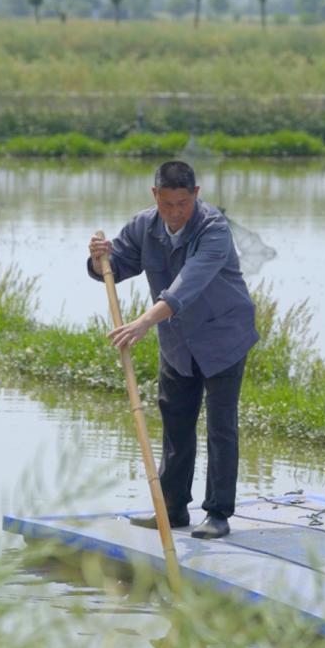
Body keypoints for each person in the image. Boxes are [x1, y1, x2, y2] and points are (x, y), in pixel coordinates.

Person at [88, 160, 257, 540]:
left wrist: (145, 322)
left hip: (223, 337)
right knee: (176, 424)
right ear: (155, 196)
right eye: (167, 204)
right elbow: (117, 266)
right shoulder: (143, 226)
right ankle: (173, 508)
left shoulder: (213, 229)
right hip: (178, 342)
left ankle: (217, 514)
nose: (175, 213)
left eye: (183, 204)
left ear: (196, 195)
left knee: (220, 426)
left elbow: (186, 285)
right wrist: (100, 259)